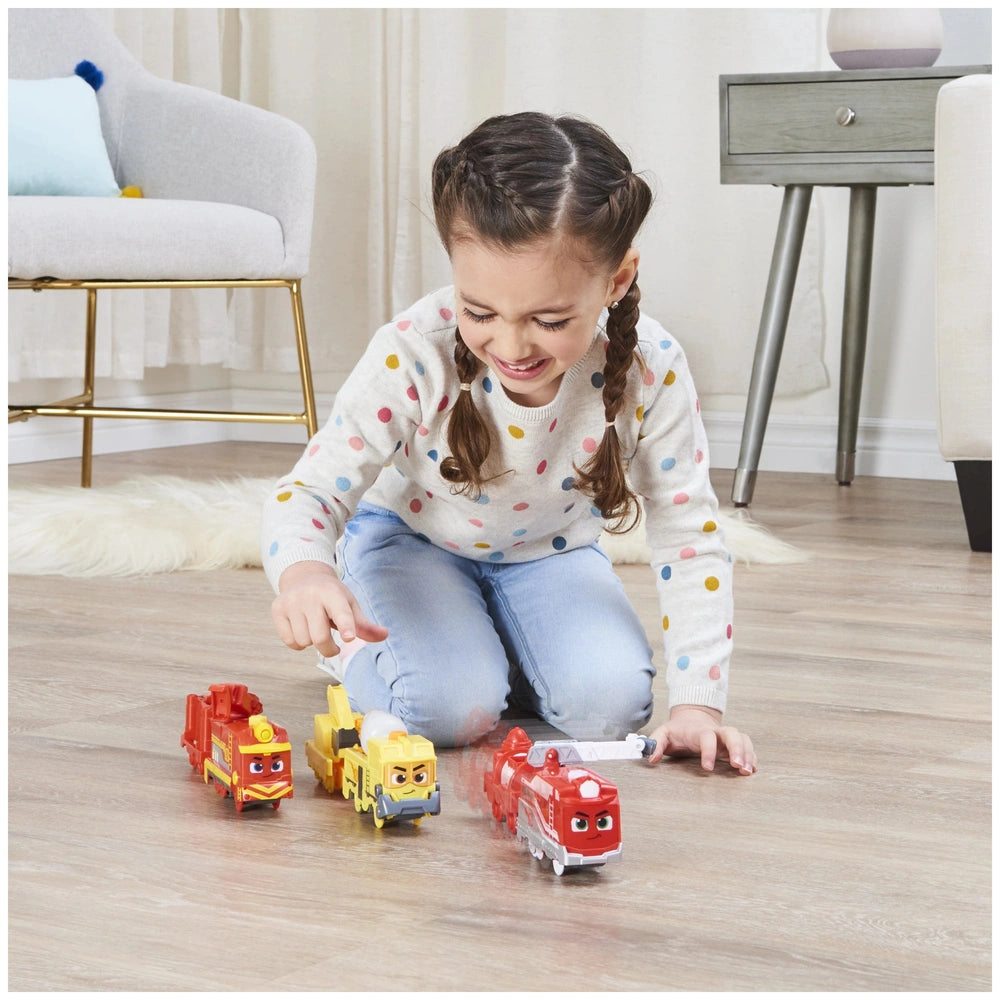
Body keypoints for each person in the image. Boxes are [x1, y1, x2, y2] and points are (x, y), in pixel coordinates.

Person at [262, 111, 756, 775]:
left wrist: (699, 705)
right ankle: (361, 654)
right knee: (443, 711)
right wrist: (306, 572)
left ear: (615, 281)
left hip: (545, 554)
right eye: (480, 313)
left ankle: (487, 644)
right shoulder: (416, 350)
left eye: (549, 320)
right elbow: (310, 489)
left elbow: (688, 534)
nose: (513, 346)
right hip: (414, 545)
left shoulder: (651, 367)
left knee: (614, 705)